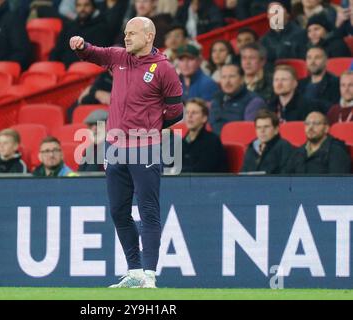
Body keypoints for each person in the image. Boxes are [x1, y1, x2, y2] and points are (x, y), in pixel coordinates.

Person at [70, 16, 184, 288]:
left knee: (148, 211)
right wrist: (80, 45)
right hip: (114, 148)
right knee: (119, 212)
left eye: (133, 33)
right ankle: (134, 272)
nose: (127, 37)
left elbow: (176, 111)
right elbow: (94, 53)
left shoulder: (164, 68)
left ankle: (150, 274)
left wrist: (150, 127)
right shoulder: (118, 57)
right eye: (126, 33)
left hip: (145, 147)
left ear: (149, 36)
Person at [50, 0, 113, 67]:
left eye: (86, 5)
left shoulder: (101, 28)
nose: (82, 9)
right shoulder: (69, 26)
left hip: (87, 70)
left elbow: (99, 56)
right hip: (64, 69)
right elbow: (57, 50)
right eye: (79, 5)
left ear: (93, 7)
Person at [209, 64, 267, 135]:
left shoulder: (254, 101)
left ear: (242, 79)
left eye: (232, 76)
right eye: (223, 77)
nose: (227, 81)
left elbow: (249, 133)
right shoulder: (216, 98)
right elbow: (212, 123)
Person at [285, 111, 351, 174]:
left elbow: (338, 183)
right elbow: (285, 180)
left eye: (316, 123)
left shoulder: (337, 152)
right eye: (307, 123)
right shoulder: (297, 153)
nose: (310, 127)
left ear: (326, 128)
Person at [241, 109, 294, 174]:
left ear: (276, 129)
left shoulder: (285, 147)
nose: (262, 131)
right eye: (258, 127)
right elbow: (243, 174)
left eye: (266, 127)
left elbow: (286, 176)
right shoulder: (251, 148)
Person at [182, 98, 227, 173]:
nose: (189, 116)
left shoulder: (212, 141)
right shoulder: (182, 142)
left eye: (194, 113)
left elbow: (202, 170)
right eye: (187, 112)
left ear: (204, 118)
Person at [298, 45, 340, 114]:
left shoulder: (336, 83)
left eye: (317, 58)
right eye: (309, 58)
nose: (312, 61)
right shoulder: (300, 84)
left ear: (326, 61)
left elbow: (334, 109)